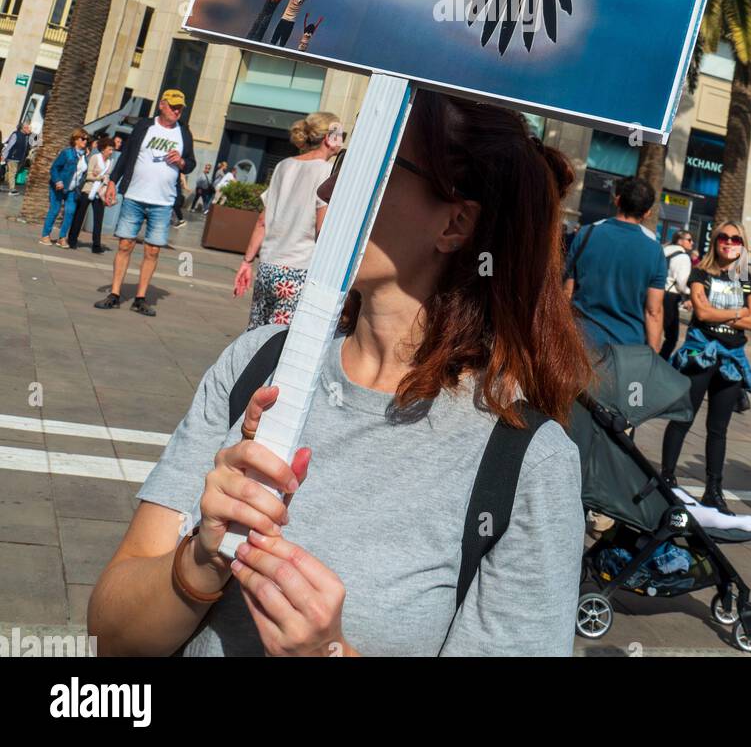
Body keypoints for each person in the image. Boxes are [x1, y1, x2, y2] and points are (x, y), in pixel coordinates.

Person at [88, 91, 591, 658]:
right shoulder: (255, 362)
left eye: (369, 168)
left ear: (455, 223)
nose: (326, 190)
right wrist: (201, 561)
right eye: (341, 162)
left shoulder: (526, 461)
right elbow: (109, 637)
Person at [660, 221, 751, 513]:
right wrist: (736, 312)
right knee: (683, 417)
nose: (729, 243)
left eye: (736, 239)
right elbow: (701, 313)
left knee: (719, 428)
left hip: (731, 359)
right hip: (699, 353)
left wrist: (720, 315)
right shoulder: (701, 273)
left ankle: (713, 491)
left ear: (742, 245)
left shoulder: (745, 279)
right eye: (724, 238)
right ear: (715, 241)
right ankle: (666, 478)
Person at [233, 117, 344, 329]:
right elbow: (322, 229)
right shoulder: (327, 172)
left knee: (254, 336)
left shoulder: (284, 165)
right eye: (341, 135)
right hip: (297, 271)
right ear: (329, 139)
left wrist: (247, 262)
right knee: (277, 343)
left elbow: (262, 220)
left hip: (268, 266)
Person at [95, 91, 196, 317]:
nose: (177, 111)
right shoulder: (144, 126)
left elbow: (190, 164)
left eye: (180, 108)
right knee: (124, 245)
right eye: (173, 106)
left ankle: (140, 298)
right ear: (162, 105)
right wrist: (112, 182)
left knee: (152, 251)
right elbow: (126, 155)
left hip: (163, 201)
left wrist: (180, 161)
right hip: (135, 196)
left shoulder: (184, 132)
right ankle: (114, 293)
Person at [563, 177, 666, 353]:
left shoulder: (586, 235)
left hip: (580, 341)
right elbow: (653, 311)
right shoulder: (655, 251)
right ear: (647, 212)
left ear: (617, 200)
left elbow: (567, 292)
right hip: (626, 350)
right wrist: (652, 355)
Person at [67, 134, 115, 253]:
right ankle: (72, 240)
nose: (111, 151)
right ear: (103, 149)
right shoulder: (95, 158)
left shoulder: (110, 162)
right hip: (88, 190)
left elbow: (108, 177)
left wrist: (104, 180)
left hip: (100, 193)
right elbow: (88, 175)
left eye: (112, 149)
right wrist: (101, 177)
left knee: (99, 219)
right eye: (110, 149)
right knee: (79, 216)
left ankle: (96, 245)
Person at [40, 130, 89, 247]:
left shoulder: (84, 156)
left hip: (72, 189)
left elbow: (82, 173)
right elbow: (54, 168)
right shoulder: (66, 153)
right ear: (76, 139)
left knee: (70, 212)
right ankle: (45, 235)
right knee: (54, 210)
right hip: (59, 187)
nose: (86, 141)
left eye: (87, 139)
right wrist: (58, 181)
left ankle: (62, 238)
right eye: (83, 139)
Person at [661, 229, 694, 361]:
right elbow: (681, 283)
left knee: (650, 330)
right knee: (672, 337)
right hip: (670, 297)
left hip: (655, 292)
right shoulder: (684, 257)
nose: (692, 243)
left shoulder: (664, 250)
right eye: (689, 240)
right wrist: (690, 293)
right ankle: (660, 362)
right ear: (680, 241)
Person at [0, 121, 32, 192]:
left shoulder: (27, 136)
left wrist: (31, 134)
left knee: (12, 172)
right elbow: (9, 146)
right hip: (13, 157)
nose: (28, 129)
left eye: (29, 127)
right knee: (12, 173)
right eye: (27, 127)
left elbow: (34, 143)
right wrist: (3, 156)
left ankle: (9, 186)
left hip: (20, 158)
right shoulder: (16, 134)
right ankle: (12, 189)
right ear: (23, 128)